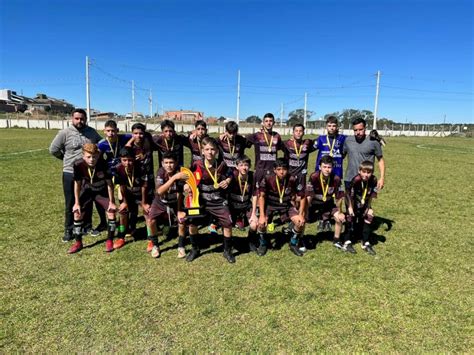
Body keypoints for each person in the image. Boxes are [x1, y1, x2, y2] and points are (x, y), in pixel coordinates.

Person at [49, 108, 104, 242]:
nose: (79, 121)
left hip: (87, 173)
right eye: (77, 118)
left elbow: (102, 144)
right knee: (71, 202)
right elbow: (53, 149)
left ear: (86, 119)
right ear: (72, 119)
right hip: (70, 172)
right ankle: (69, 230)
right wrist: (66, 160)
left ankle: (87, 226)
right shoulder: (65, 133)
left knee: (87, 200)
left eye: (82, 118)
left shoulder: (91, 132)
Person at [186, 137, 235, 263]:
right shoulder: (197, 164)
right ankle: (195, 249)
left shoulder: (222, 164)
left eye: (212, 149)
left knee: (228, 224)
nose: (210, 152)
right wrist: (187, 185)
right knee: (192, 223)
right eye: (207, 149)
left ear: (217, 151)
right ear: (202, 151)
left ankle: (227, 251)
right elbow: (188, 177)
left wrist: (227, 180)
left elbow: (231, 173)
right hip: (201, 200)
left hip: (218, 200)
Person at [67, 143, 117, 254]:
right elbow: (77, 184)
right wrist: (77, 203)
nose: (91, 159)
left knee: (111, 212)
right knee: (77, 213)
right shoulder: (78, 164)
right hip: (87, 190)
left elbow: (109, 184)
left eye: (94, 156)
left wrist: (112, 202)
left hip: (101, 190)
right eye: (88, 157)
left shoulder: (103, 164)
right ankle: (78, 242)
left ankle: (109, 240)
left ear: (98, 155)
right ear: (83, 156)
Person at [257, 158, 306, 257]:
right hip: (270, 205)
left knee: (300, 223)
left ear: (287, 170)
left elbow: (302, 196)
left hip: (286, 206)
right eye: (279, 169)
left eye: (284, 169)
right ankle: (263, 243)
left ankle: (293, 243)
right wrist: (262, 215)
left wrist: (300, 214)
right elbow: (261, 196)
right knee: (261, 223)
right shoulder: (267, 178)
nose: (281, 172)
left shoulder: (293, 179)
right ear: (274, 170)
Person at [147, 152, 189, 258]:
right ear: (162, 163)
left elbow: (180, 193)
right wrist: (174, 178)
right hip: (160, 202)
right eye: (166, 162)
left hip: (175, 202)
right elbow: (159, 191)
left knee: (182, 220)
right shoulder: (160, 172)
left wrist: (179, 210)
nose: (168, 165)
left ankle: (181, 246)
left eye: (171, 162)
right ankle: (155, 245)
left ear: (176, 163)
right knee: (150, 220)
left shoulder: (181, 172)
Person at [305, 155, 346, 252]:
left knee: (339, 218)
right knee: (303, 217)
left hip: (328, 203)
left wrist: (340, 212)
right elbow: (309, 196)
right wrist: (305, 210)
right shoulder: (314, 176)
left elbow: (339, 198)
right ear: (320, 167)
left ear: (332, 167)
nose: (327, 170)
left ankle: (336, 239)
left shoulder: (336, 179)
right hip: (314, 203)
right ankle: (301, 239)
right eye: (324, 167)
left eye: (329, 167)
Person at [114, 147, 151, 249]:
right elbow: (122, 186)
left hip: (141, 194)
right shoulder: (118, 169)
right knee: (123, 212)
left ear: (134, 158)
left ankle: (151, 238)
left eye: (130, 160)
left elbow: (144, 186)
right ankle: (121, 236)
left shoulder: (142, 167)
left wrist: (144, 203)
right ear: (120, 160)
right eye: (124, 160)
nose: (127, 163)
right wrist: (124, 202)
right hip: (128, 194)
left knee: (147, 213)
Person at [345, 161, 379, 255]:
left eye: (369, 172)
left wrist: (369, 207)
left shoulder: (374, 180)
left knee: (369, 215)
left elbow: (371, 195)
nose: (366, 174)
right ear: (359, 171)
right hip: (352, 202)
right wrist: (350, 208)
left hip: (364, 202)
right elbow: (349, 195)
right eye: (364, 172)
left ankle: (365, 242)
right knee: (350, 217)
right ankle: (347, 241)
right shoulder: (356, 180)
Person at [343, 117, 385, 191]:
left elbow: (380, 160)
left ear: (365, 128)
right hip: (349, 179)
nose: (358, 132)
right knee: (349, 202)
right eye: (355, 130)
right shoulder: (348, 141)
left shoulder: (373, 142)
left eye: (360, 129)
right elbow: (341, 156)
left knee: (364, 202)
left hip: (366, 179)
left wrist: (382, 178)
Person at [228, 155, 259, 252]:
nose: (244, 168)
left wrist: (254, 213)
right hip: (232, 207)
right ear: (236, 167)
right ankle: (229, 242)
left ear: (249, 166)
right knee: (226, 224)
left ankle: (251, 241)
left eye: (246, 165)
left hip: (246, 205)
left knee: (254, 224)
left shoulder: (252, 176)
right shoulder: (232, 176)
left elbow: (254, 195)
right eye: (241, 165)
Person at [246, 113, 284, 188]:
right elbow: (242, 140)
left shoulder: (277, 136)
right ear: (263, 123)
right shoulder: (257, 135)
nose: (268, 123)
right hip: (260, 169)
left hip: (273, 170)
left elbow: (280, 148)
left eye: (270, 121)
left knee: (271, 192)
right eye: (266, 121)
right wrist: (226, 134)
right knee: (258, 193)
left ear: (274, 123)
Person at [283, 123, 316, 193]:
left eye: (300, 131)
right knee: (288, 195)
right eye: (296, 131)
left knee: (300, 196)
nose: (298, 133)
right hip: (289, 174)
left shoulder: (307, 143)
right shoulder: (286, 143)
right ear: (293, 132)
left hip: (301, 175)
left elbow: (320, 141)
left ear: (304, 132)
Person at [314, 115, 346, 179]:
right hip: (322, 171)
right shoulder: (321, 138)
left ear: (337, 127)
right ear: (326, 127)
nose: (331, 128)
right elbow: (307, 147)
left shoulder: (342, 138)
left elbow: (353, 141)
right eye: (329, 126)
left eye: (334, 126)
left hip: (336, 171)